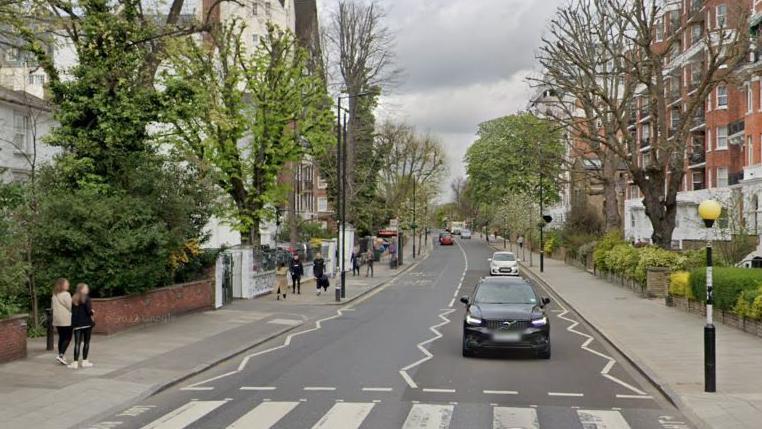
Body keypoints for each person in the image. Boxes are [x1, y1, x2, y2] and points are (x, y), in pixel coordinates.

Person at [69, 283, 94, 369]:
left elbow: (72, 311)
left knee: (77, 343)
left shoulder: (74, 298)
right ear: (82, 289)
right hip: (86, 323)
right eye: (86, 288)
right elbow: (89, 311)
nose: (87, 289)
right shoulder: (86, 298)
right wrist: (92, 312)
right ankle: (84, 361)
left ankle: (75, 363)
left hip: (77, 324)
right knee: (86, 342)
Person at [51, 278, 72, 365]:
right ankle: (61, 355)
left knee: (62, 337)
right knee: (68, 337)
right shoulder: (66, 294)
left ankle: (61, 356)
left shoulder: (54, 295)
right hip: (65, 319)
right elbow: (70, 306)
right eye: (67, 284)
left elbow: (52, 307)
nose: (68, 285)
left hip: (57, 319)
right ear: (62, 285)